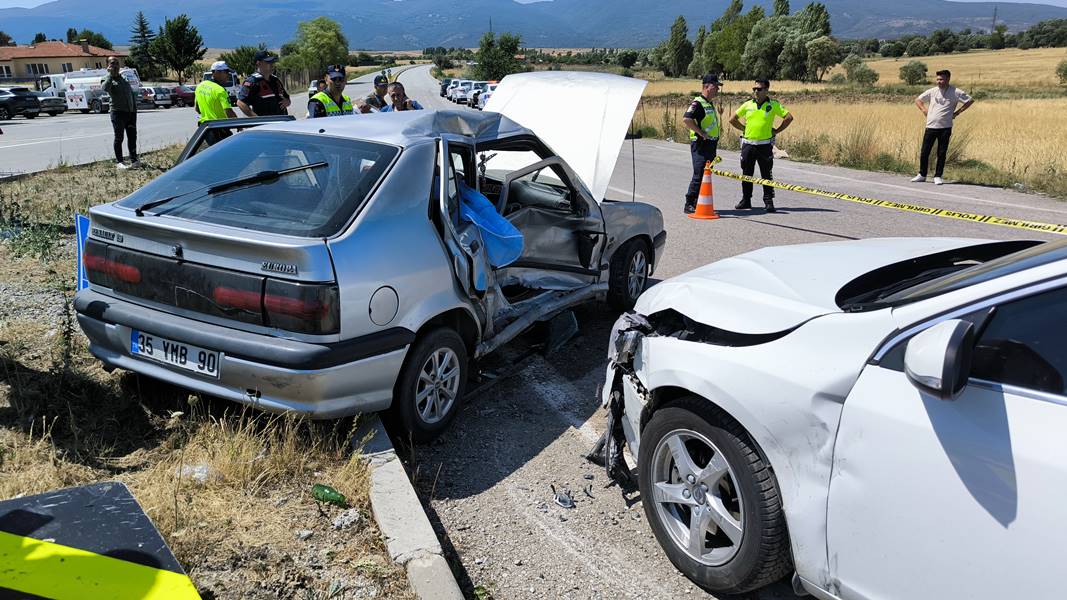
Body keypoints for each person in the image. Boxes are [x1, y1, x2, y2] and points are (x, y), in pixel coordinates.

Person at [729, 78, 793, 213]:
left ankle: (768, 201)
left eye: (759, 89)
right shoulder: (748, 105)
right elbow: (732, 119)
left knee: (766, 174)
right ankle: (746, 200)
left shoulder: (773, 105)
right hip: (748, 145)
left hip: (764, 146)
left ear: (766, 90)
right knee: (747, 173)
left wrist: (777, 130)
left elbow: (788, 117)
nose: (756, 92)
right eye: (754, 89)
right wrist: (743, 128)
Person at [912, 69, 973, 186]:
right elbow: (918, 100)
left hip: (945, 127)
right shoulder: (932, 91)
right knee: (925, 151)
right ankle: (922, 174)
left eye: (942, 79)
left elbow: (970, 101)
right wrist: (924, 110)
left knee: (942, 152)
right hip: (931, 126)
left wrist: (957, 112)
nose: (939, 81)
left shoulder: (956, 92)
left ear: (948, 79)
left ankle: (938, 176)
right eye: (938, 79)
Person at [681, 74, 724, 214]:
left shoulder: (709, 103)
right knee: (699, 173)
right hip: (701, 144)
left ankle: (700, 201)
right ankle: (689, 203)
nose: (718, 88)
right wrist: (700, 133)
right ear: (706, 86)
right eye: (715, 86)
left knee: (706, 174)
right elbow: (687, 119)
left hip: (710, 144)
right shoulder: (698, 103)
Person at [101, 56, 139, 169]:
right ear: (108, 65)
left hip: (130, 112)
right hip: (117, 112)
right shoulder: (107, 79)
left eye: (117, 63)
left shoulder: (124, 78)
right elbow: (104, 88)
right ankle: (119, 162)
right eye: (113, 63)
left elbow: (130, 94)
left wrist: (134, 110)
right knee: (119, 137)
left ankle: (134, 160)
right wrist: (110, 75)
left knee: (132, 137)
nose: (116, 66)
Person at [195, 61, 239, 146]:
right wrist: (238, 124)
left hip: (205, 129)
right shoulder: (220, 90)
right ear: (217, 72)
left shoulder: (200, 86)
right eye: (226, 72)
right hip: (219, 128)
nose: (228, 75)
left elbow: (197, 109)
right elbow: (228, 111)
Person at [236, 50, 291, 117]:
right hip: (265, 125)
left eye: (272, 62)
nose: (271, 64)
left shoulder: (276, 80)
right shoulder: (252, 81)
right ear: (258, 63)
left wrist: (288, 101)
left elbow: (287, 98)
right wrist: (255, 118)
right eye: (268, 62)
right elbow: (240, 102)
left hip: (282, 122)